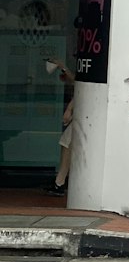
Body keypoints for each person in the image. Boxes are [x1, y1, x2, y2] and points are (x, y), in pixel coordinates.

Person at [44, 58, 75, 197]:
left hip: (80, 116)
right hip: (81, 116)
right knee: (67, 144)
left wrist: (69, 109)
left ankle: (60, 182)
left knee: (67, 144)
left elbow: (77, 85)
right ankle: (59, 181)